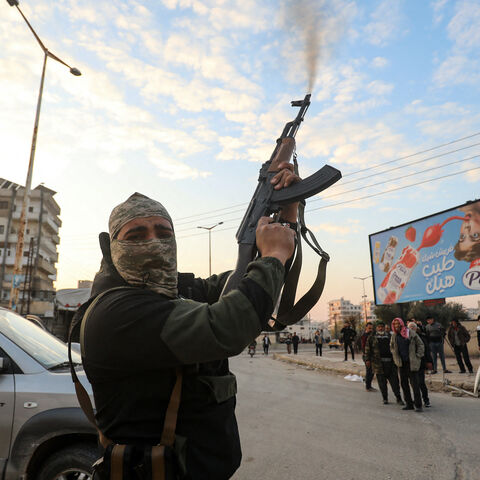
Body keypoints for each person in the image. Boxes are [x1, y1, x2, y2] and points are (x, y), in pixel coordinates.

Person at [80, 180, 298, 478]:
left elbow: (249, 283)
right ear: (111, 247)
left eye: (164, 232)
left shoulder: (175, 292)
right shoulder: (115, 313)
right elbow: (229, 326)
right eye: (137, 234)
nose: (155, 241)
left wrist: (286, 214)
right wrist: (273, 256)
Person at [390, 318, 424, 412]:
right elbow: (392, 347)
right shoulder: (394, 335)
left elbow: (420, 344)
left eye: (398, 324)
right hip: (401, 364)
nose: (397, 325)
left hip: (411, 363)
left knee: (415, 385)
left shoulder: (410, 333)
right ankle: (409, 404)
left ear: (401, 324)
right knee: (404, 385)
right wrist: (395, 357)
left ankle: (418, 405)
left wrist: (418, 356)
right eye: (395, 324)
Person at [365, 322, 403, 405]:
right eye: (379, 327)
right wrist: (367, 360)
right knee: (382, 383)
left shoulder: (390, 336)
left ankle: (398, 398)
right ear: (376, 328)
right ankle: (385, 398)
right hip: (378, 364)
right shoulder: (372, 337)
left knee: (395, 382)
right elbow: (367, 349)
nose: (380, 328)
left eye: (382, 327)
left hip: (391, 363)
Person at [409, 320, 433, 407]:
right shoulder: (406, 338)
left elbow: (427, 351)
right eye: (410, 327)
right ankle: (416, 400)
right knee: (414, 384)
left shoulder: (421, 338)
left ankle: (426, 399)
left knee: (421, 382)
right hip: (411, 364)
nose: (411, 329)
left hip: (420, 363)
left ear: (416, 328)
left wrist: (429, 362)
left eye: (413, 327)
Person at [361, 322, 376, 392]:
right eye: (369, 328)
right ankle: (368, 387)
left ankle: (369, 386)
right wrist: (367, 359)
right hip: (367, 356)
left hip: (372, 356)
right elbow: (364, 347)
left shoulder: (372, 335)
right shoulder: (365, 336)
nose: (371, 329)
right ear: (366, 328)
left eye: (371, 328)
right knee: (369, 371)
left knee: (372, 371)